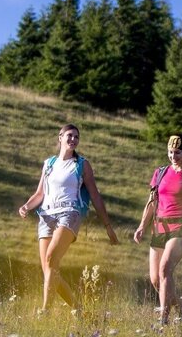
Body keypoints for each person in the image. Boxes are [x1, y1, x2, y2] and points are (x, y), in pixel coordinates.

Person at [19, 124, 119, 313]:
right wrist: (26, 206)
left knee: (50, 259)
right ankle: (79, 310)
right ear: (60, 138)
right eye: (70, 136)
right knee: (49, 270)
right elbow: (39, 193)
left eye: (76, 137)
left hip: (69, 213)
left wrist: (107, 225)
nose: (73, 139)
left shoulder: (81, 164)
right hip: (46, 215)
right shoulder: (49, 164)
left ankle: (45, 311)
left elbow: (95, 195)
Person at [132, 135, 182, 325]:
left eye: (177, 152)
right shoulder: (160, 172)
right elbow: (152, 202)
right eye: (170, 152)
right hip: (159, 227)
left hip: (181, 227)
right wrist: (142, 225)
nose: (173, 156)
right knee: (155, 280)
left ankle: (163, 320)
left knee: (165, 268)